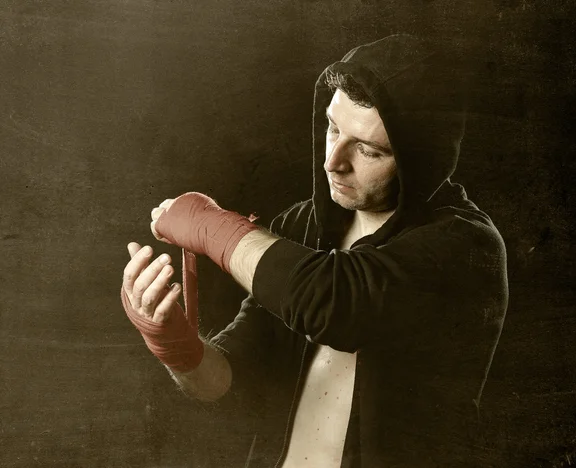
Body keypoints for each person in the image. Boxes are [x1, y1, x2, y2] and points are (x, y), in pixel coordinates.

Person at [121, 34, 509, 467]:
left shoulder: (466, 247)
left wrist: (209, 226)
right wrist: (176, 347)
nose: (333, 161)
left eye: (367, 149)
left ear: (421, 162)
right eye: (333, 128)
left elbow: (333, 300)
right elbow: (233, 379)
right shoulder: (300, 226)